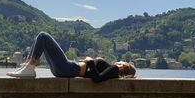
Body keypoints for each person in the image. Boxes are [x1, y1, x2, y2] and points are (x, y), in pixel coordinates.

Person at [7, 32, 136, 82]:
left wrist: (91, 62)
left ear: (125, 65)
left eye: (124, 62)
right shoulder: (112, 71)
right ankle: (26, 66)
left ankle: (29, 68)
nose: (122, 61)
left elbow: (98, 79)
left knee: (43, 36)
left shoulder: (114, 69)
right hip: (65, 70)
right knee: (40, 39)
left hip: (68, 68)